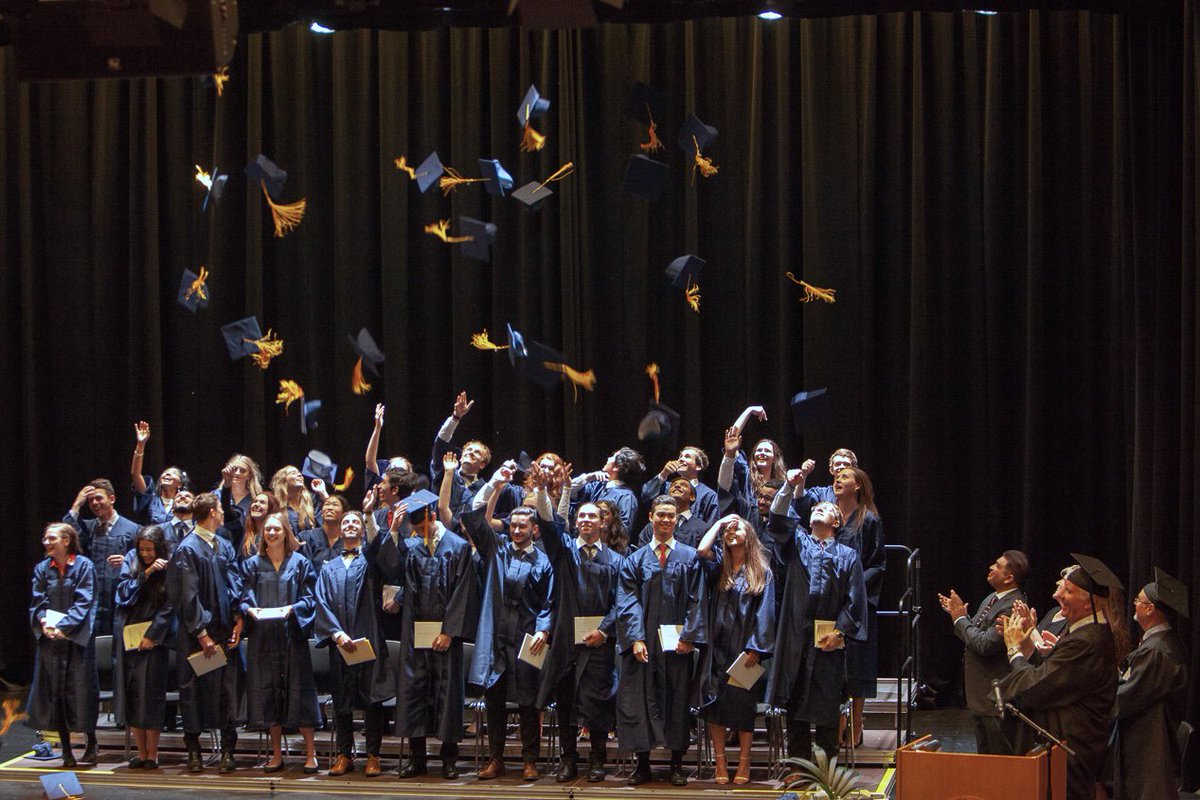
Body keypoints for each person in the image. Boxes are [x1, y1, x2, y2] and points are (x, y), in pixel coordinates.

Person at [998, 553, 1120, 800]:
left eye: (1068, 591)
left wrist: (1014, 649)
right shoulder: (1085, 633)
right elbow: (1055, 677)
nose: (1056, 596)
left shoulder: (1087, 641)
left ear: (1089, 602)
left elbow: (1036, 686)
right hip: (1066, 747)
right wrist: (1029, 649)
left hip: (1069, 751)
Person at [462, 472, 554, 781]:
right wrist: (494, 486)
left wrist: (543, 630)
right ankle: (496, 759)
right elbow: (473, 515)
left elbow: (548, 602)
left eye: (522, 526)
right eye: (512, 525)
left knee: (528, 703)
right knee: (495, 702)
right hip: (496, 638)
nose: (515, 530)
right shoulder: (496, 550)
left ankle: (530, 760)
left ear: (534, 529)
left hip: (527, 638)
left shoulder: (544, 562)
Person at [765, 481, 866, 762]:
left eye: (826, 508)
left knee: (826, 707)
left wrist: (840, 632)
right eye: (816, 508)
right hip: (796, 636)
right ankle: (798, 767)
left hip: (828, 640)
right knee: (795, 706)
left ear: (837, 521)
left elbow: (854, 600)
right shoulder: (797, 543)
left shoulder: (847, 556)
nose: (819, 510)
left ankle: (826, 770)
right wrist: (788, 485)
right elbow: (777, 519)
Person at [533, 487, 623, 783]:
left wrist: (605, 631)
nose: (585, 520)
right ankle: (568, 760)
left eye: (592, 516)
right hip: (566, 641)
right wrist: (541, 490)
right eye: (581, 515)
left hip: (599, 643)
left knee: (597, 702)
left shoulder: (618, 560)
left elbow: (621, 602)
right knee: (567, 702)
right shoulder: (563, 551)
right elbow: (547, 523)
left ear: (603, 523)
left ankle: (598, 760)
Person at [615, 494, 706, 786]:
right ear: (651, 518)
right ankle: (642, 764)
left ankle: (677, 764)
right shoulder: (635, 559)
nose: (666, 520)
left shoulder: (690, 557)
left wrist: (690, 636)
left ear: (677, 519)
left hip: (677, 643)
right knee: (641, 700)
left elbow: (697, 600)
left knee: (677, 701)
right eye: (661, 515)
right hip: (645, 644)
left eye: (671, 515)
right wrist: (635, 638)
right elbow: (627, 601)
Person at [385, 490, 475, 780]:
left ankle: (449, 759)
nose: (419, 534)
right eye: (415, 530)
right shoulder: (412, 546)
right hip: (416, 632)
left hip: (445, 637)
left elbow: (463, 593)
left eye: (422, 528)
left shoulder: (458, 547)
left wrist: (449, 632)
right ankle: (417, 758)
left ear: (433, 517)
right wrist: (394, 531)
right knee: (414, 694)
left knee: (447, 695)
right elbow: (390, 567)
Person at [313, 510, 395, 777]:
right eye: (345, 521)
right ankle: (344, 754)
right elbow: (321, 601)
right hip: (341, 645)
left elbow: (380, 550)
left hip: (367, 641)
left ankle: (373, 755)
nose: (349, 525)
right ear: (340, 529)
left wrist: (369, 513)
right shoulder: (329, 567)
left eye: (355, 522)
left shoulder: (370, 562)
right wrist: (336, 634)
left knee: (371, 702)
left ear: (362, 530)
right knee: (342, 702)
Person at [167, 492, 245, 773]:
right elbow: (187, 594)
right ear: (212, 512)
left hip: (224, 632)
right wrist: (201, 632)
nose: (223, 513)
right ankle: (194, 751)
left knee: (226, 692)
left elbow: (235, 580)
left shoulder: (223, 545)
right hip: (196, 636)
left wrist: (239, 618)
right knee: (193, 693)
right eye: (220, 509)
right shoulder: (188, 548)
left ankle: (227, 751)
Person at [696, 514, 775, 785]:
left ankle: (744, 761)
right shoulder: (720, 566)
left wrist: (757, 648)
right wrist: (718, 524)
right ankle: (720, 762)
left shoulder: (762, 572)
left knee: (742, 707)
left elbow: (766, 613)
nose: (731, 532)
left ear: (749, 535)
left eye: (736, 528)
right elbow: (701, 550)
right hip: (716, 648)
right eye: (727, 530)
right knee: (714, 705)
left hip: (745, 650)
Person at [241, 512, 320, 774]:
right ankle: (276, 754)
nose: (271, 533)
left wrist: (293, 608)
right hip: (263, 640)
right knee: (269, 694)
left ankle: (311, 754)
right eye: (268, 530)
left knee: (300, 692)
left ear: (286, 533)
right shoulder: (252, 565)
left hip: (291, 637)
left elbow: (311, 598)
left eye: (276, 529)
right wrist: (248, 609)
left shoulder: (300, 563)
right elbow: (243, 596)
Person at [937, 550, 1029, 755]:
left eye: (997, 566)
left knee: (997, 760)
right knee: (984, 760)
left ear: (1009, 577)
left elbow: (985, 644)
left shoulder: (1013, 607)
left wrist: (960, 619)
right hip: (980, 696)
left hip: (994, 698)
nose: (990, 567)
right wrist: (958, 615)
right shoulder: (992, 598)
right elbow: (976, 633)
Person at [27, 522, 99, 767]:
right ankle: (67, 749)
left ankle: (92, 741)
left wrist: (64, 626)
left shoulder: (83, 566)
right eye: (45, 538)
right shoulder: (42, 568)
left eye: (52, 538)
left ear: (66, 540)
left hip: (76, 641)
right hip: (51, 644)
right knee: (55, 695)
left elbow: (84, 600)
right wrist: (44, 622)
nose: (47, 543)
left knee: (81, 695)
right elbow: (38, 600)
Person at [1114, 568, 1189, 800]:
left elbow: (1128, 696)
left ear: (1150, 609)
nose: (1134, 603)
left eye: (1139, 600)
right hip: (1150, 740)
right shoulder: (1161, 643)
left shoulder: (1158, 651)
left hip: (1149, 747)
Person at [830, 466, 884, 746]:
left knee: (857, 664)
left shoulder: (869, 519)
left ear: (858, 486)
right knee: (833, 663)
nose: (838, 479)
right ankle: (836, 721)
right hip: (829, 600)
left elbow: (877, 563)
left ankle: (857, 721)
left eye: (845, 477)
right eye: (836, 477)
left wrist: (854, 586)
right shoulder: (829, 516)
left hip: (859, 600)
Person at [114, 525, 174, 769]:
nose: (146, 553)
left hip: (154, 643)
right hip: (130, 640)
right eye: (142, 549)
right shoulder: (134, 567)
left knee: (150, 697)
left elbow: (168, 608)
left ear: (159, 548)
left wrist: (152, 636)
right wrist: (146, 573)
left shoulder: (170, 570)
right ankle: (140, 753)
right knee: (133, 696)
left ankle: (153, 753)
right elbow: (123, 595)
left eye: (150, 549)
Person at [429, 391, 520, 525]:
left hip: (469, 537)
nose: (471, 453)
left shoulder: (484, 488)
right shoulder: (445, 473)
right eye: (468, 450)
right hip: (440, 535)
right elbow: (440, 443)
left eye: (477, 453)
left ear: (482, 464)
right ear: (460, 458)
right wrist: (455, 417)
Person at [63, 479, 139, 637]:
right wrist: (77, 504)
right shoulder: (87, 528)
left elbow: (145, 561)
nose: (94, 503)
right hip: (93, 598)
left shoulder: (133, 529)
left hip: (120, 598)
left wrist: (128, 562)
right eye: (90, 500)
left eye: (99, 498)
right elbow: (66, 539)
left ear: (112, 499)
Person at [717, 406, 786, 515]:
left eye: (767, 451)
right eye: (759, 450)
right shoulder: (746, 475)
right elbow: (733, 437)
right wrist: (749, 410)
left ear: (774, 459)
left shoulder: (782, 484)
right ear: (754, 456)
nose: (762, 453)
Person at [571, 447, 645, 532]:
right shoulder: (598, 486)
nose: (608, 458)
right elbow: (567, 491)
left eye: (612, 456)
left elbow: (624, 530)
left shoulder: (626, 496)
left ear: (616, 467)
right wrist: (588, 478)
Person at [640, 446, 719, 524]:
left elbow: (711, 525)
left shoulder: (708, 494)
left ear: (698, 466)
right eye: (680, 456)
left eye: (687, 457)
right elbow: (646, 496)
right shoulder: (668, 487)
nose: (681, 459)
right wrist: (663, 474)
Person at [129, 421, 188, 525]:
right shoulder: (150, 499)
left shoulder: (185, 503)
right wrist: (140, 444)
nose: (167, 474)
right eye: (165, 473)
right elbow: (136, 474)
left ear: (180, 484)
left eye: (173, 473)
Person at [635, 478, 709, 548]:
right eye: (673, 485)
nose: (677, 486)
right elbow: (643, 555)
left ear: (692, 496)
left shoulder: (702, 528)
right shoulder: (652, 526)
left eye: (683, 485)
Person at [363, 403, 415, 491]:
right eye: (393, 468)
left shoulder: (410, 498)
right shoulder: (379, 487)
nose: (396, 472)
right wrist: (377, 428)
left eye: (400, 470)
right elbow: (370, 461)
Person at [298, 494, 348, 572]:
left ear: (343, 514)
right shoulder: (306, 537)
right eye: (327, 504)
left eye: (335, 505)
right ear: (321, 513)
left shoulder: (348, 542)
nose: (330, 508)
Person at [269, 466, 319, 535]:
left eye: (299, 473)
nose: (300, 475)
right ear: (283, 480)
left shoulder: (312, 500)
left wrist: (323, 492)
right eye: (293, 473)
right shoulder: (275, 505)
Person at [219, 453, 264, 519]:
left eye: (242, 470)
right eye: (234, 469)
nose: (237, 473)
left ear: (249, 475)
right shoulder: (216, 496)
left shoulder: (256, 500)